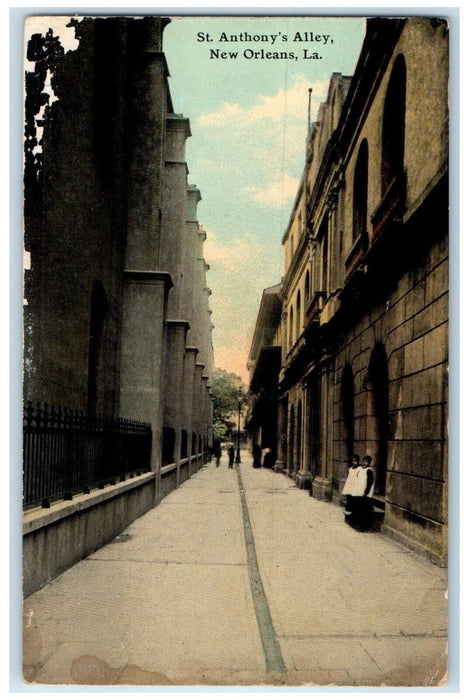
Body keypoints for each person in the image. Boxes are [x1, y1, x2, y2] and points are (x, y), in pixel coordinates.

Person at [343, 455, 375, 531]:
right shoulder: (360, 469)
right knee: (357, 504)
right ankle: (355, 520)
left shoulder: (369, 470)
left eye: (367, 461)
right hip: (358, 490)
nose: (365, 463)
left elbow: (370, 482)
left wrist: (366, 491)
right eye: (364, 461)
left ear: (369, 463)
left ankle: (362, 524)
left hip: (364, 492)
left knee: (363, 507)